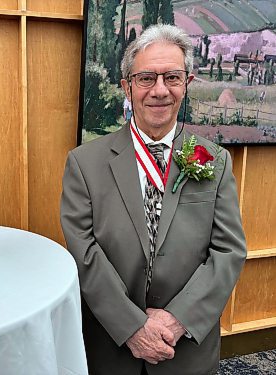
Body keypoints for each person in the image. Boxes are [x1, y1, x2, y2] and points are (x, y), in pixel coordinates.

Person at [61, 24, 246, 375]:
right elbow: (83, 253)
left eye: (172, 77)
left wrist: (177, 319)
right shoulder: (84, 164)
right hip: (111, 348)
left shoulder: (215, 161)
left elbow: (228, 251)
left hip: (185, 349)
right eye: (146, 78)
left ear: (186, 84)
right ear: (127, 88)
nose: (160, 90)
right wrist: (132, 326)